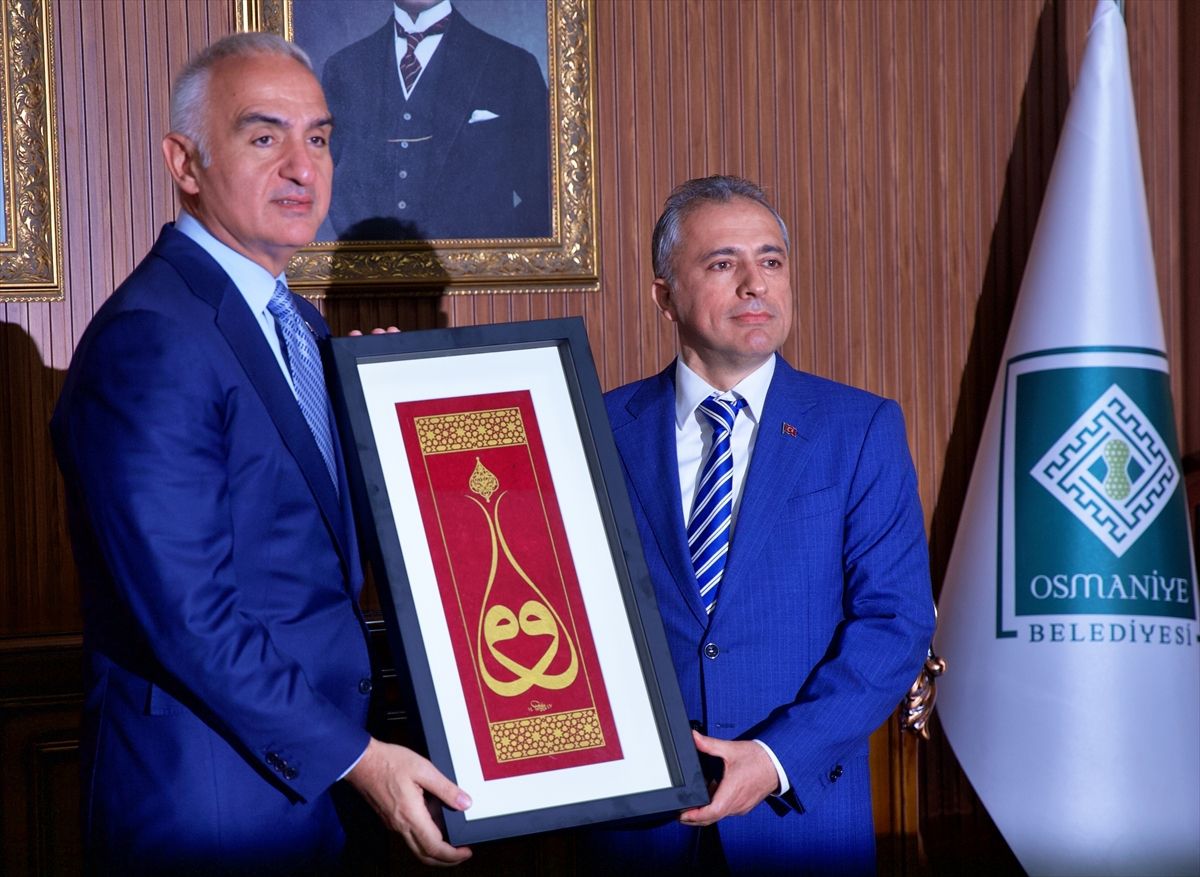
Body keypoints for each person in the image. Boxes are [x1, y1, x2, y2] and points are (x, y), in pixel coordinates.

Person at [50, 33, 471, 875]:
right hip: (211, 802)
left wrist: (389, 425)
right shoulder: (152, 338)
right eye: (263, 135)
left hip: (310, 787)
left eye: (318, 137)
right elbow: (189, 616)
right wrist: (359, 758)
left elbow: (305, 536)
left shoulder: (298, 326)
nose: (302, 167)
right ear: (185, 162)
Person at [594, 176, 936, 875]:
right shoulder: (596, 426)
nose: (756, 283)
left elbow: (896, 621)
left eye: (771, 260)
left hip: (798, 819)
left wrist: (778, 756)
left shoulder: (860, 428)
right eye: (723, 263)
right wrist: (382, 380)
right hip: (640, 828)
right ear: (665, 296)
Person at [321, 0, 551, 240]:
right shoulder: (343, 68)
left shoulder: (514, 66)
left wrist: (492, 255)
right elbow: (326, 182)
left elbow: (549, 198)